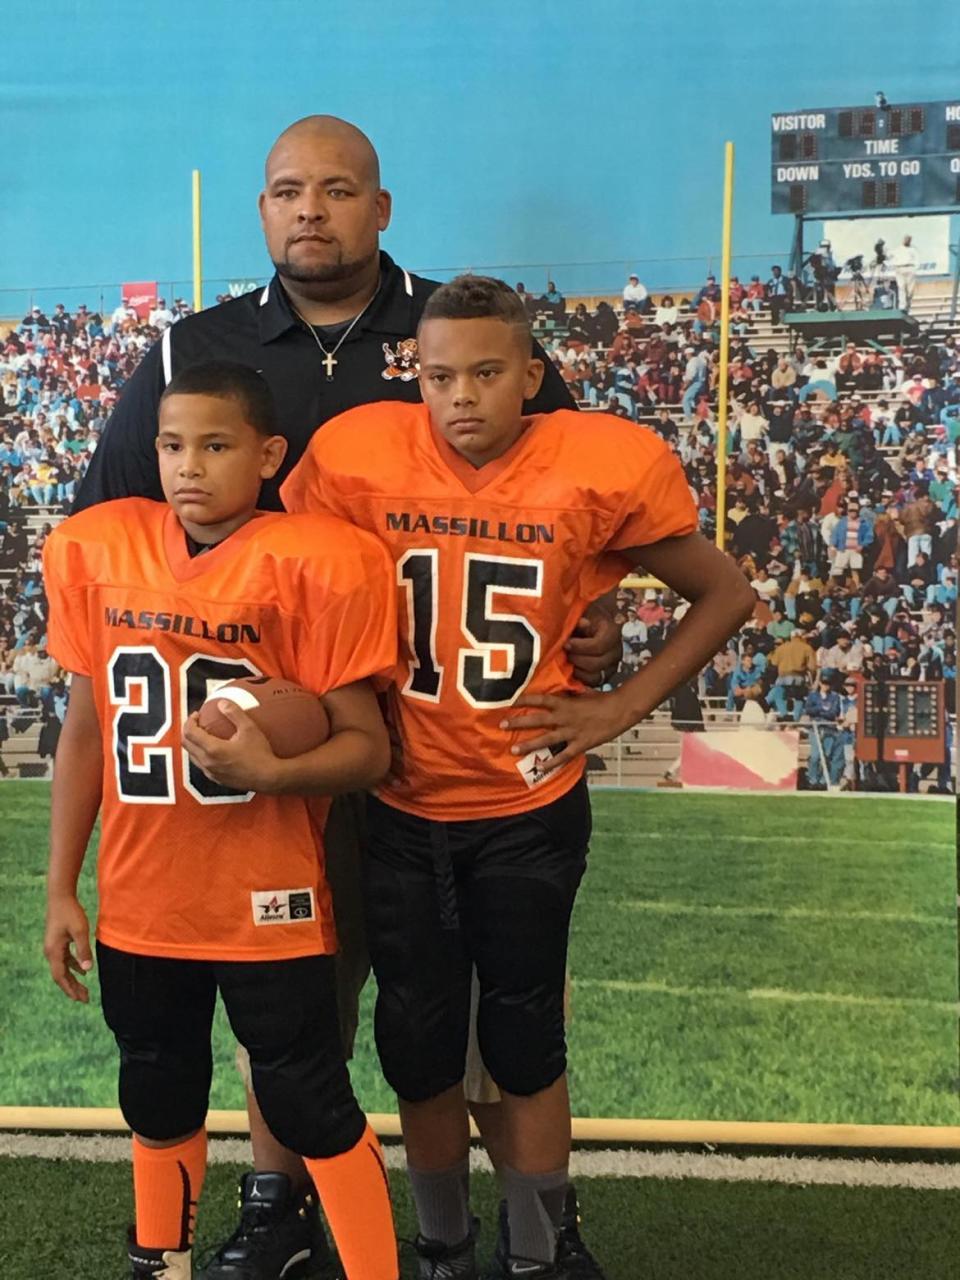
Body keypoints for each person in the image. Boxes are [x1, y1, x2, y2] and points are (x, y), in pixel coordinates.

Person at [69, 115, 620, 1277]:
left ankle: (516, 1232)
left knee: (477, 1020)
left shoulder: (456, 331)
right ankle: (279, 1211)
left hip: (438, 755)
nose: (308, 210)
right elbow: (116, 528)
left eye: (335, 190)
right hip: (256, 758)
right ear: (260, 212)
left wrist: (600, 624)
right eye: (284, 191)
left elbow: (573, 500)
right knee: (293, 1004)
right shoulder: (189, 351)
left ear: (382, 207)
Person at [281, 275, 756, 1279]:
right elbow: (298, 573)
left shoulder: (597, 462)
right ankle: (444, 1242)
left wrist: (621, 701)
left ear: (531, 376)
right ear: (415, 375)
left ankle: (539, 1245)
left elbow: (724, 590)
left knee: (525, 1031)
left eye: (488, 373)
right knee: (415, 1041)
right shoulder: (360, 454)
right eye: (440, 375)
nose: (461, 397)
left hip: (527, 803)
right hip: (400, 802)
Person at [41, 363, 400, 1280]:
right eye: (171, 445)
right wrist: (59, 888)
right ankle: (160, 1262)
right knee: (155, 1089)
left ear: (269, 455)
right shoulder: (100, 547)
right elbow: (85, 733)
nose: (188, 466)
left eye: (215, 444)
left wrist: (272, 769)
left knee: (308, 1097)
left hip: (264, 893)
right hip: (141, 891)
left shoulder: (313, 559)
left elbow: (368, 749)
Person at [891, 234, 919, 312]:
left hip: (910, 268)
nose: (907, 240)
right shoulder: (897, 249)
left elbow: (917, 259)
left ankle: (908, 306)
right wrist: (896, 267)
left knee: (910, 291)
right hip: (900, 269)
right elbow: (892, 258)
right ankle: (902, 307)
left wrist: (914, 269)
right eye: (906, 239)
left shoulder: (913, 249)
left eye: (909, 239)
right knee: (901, 287)